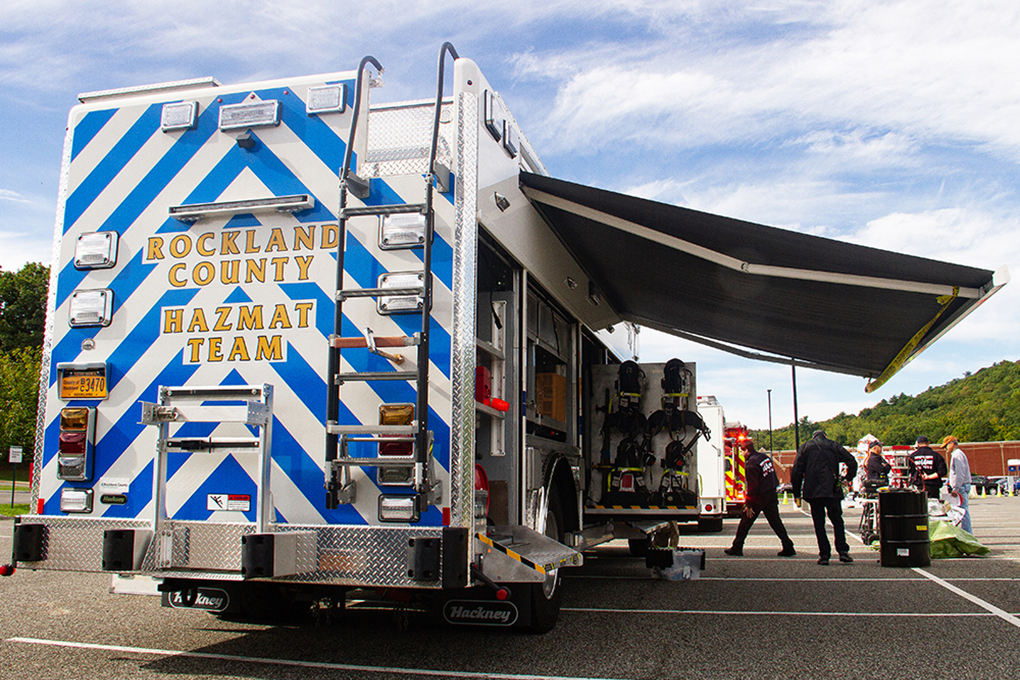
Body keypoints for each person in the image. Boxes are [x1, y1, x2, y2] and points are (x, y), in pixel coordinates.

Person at [792, 429, 858, 565]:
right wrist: (847, 478)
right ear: (826, 436)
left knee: (819, 523)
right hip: (832, 490)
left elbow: (796, 471)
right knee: (837, 521)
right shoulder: (834, 445)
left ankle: (824, 554)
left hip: (813, 491)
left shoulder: (805, 447)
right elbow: (852, 461)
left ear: (813, 436)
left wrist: (797, 494)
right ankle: (842, 551)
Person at [724, 439, 796, 557]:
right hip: (771, 493)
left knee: (745, 522)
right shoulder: (764, 457)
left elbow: (752, 487)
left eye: (742, 451)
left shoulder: (751, 464)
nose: (741, 454)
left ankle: (737, 547)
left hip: (759, 496)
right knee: (775, 522)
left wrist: (748, 505)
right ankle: (788, 546)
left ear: (746, 450)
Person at [943, 435, 972, 534]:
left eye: (946, 446)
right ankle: (964, 532)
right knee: (960, 511)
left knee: (962, 512)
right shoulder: (958, 454)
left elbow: (960, 473)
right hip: (962, 485)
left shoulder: (957, 455)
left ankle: (967, 533)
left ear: (952, 444)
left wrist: (956, 488)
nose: (946, 448)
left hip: (961, 486)